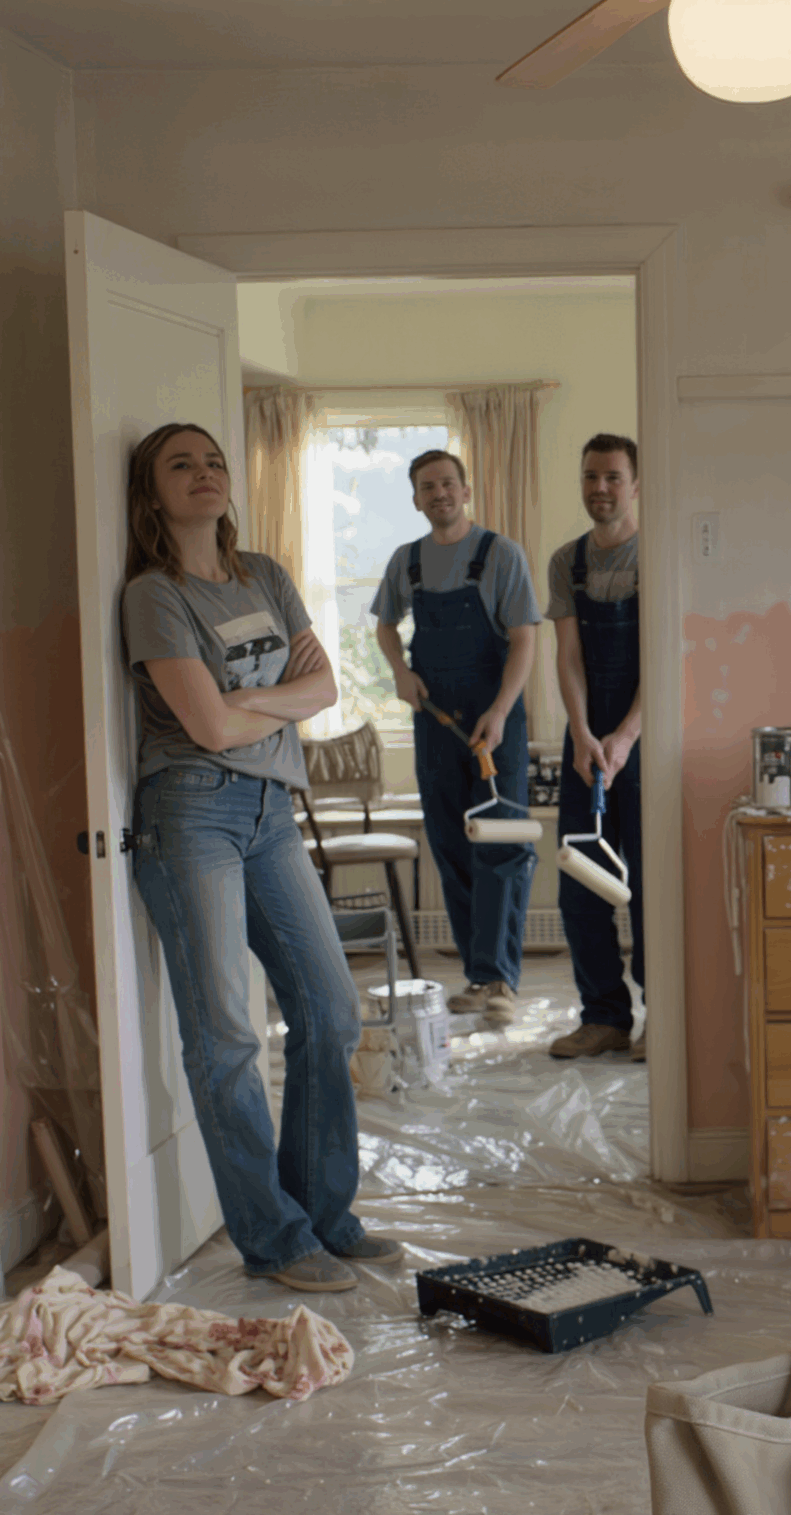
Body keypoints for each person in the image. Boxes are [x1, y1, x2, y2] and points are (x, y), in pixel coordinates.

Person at [122, 422, 402, 1294]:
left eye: (213, 461)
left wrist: (255, 700)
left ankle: (324, 1215)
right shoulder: (153, 595)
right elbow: (206, 728)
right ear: (152, 492)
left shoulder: (265, 576)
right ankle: (275, 1240)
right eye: (181, 465)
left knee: (332, 1010)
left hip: (271, 811)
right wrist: (276, 701)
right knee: (226, 1038)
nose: (204, 473)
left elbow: (326, 689)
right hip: (190, 813)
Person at [372, 450, 541, 1026]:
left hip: (497, 721)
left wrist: (500, 711)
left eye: (448, 483)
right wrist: (400, 671)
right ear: (416, 499)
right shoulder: (407, 561)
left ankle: (501, 981)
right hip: (435, 719)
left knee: (502, 844)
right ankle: (477, 976)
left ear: (466, 491)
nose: (439, 493)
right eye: (427, 486)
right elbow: (385, 626)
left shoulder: (501, 554)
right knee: (450, 844)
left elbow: (524, 638)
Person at [545, 433, 645, 1062]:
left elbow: (662, 658)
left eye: (611, 477)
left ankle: (660, 1017)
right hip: (585, 738)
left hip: (646, 732)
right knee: (580, 878)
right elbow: (569, 657)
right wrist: (582, 734)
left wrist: (628, 734)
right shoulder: (567, 562)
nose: (599, 488)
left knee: (650, 884)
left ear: (635, 484)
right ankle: (604, 1017)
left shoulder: (653, 555)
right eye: (590, 476)